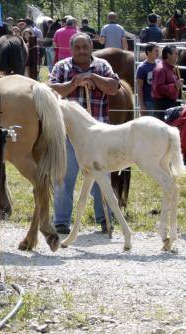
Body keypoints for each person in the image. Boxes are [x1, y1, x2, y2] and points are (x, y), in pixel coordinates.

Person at [49, 32, 119, 234]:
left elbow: (114, 87)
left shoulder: (102, 66)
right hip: (67, 136)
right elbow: (51, 92)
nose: (81, 51)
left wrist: (92, 77)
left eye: (85, 47)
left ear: (91, 48)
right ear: (71, 49)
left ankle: (106, 218)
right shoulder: (61, 67)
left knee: (102, 178)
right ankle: (61, 221)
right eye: (77, 47)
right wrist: (74, 83)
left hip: (98, 136)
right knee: (63, 177)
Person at [152, 45, 182, 113]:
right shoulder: (161, 69)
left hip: (169, 103)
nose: (177, 56)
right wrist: (174, 86)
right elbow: (158, 88)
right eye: (176, 54)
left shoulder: (170, 68)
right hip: (163, 105)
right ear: (168, 55)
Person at [136, 43, 159, 116]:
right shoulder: (142, 68)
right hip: (148, 102)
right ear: (149, 52)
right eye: (155, 51)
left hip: (158, 101)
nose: (157, 53)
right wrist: (142, 105)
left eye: (158, 51)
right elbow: (139, 88)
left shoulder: (159, 64)